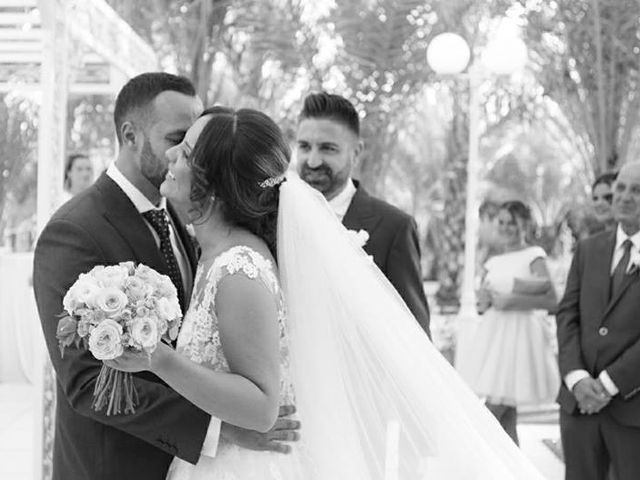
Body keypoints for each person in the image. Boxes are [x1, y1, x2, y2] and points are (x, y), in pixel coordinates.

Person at [109, 107, 545, 479]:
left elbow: (263, 406)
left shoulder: (238, 267)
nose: (170, 155)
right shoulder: (213, 252)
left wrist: (159, 358)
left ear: (216, 183)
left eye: (184, 152)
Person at [33, 73, 297, 480]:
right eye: (178, 139)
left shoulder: (194, 222)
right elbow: (87, 380)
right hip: (116, 467)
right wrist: (219, 431)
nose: (179, 156)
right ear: (131, 135)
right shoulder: (74, 230)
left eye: (189, 148)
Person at [295, 92, 430, 336]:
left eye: (328, 149)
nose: (313, 161)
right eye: (304, 147)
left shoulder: (394, 228)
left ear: (356, 152)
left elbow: (415, 336)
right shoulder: (272, 217)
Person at [557, 162, 640, 480]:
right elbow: (567, 314)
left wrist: (606, 385)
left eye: (637, 190)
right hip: (578, 406)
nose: (625, 197)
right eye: (621, 188)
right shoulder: (589, 249)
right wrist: (577, 379)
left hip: (631, 408)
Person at [455, 200, 560, 444]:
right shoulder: (494, 261)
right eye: (501, 222)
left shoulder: (534, 256)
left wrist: (511, 300)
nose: (505, 228)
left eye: (511, 222)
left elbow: (553, 300)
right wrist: (484, 302)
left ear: (524, 224)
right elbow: (487, 303)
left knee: (489, 415)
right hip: (494, 341)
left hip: (518, 342)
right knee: (505, 421)